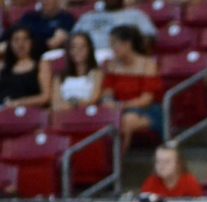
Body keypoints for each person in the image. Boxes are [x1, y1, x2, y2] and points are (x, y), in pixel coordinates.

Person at [100, 25, 164, 153]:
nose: (112, 49)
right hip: (120, 109)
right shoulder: (112, 65)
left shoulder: (148, 64)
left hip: (148, 111)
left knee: (126, 121)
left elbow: (146, 100)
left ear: (127, 44)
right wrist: (108, 101)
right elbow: (107, 92)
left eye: (115, 44)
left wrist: (121, 105)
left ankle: (116, 164)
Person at [73, 0, 157, 62]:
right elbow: (72, 38)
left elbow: (149, 37)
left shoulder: (135, 15)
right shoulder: (88, 16)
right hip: (87, 56)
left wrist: (129, 54)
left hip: (119, 56)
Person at [0, 25, 52, 107]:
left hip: (33, 114)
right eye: (16, 40)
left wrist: (18, 103)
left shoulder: (41, 64)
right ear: (10, 43)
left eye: (25, 39)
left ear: (31, 42)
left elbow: (45, 97)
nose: (20, 44)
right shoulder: (3, 67)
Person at [0, 0, 74, 57]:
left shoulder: (66, 18)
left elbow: (53, 43)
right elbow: (13, 31)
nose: (45, 2)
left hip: (48, 56)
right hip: (24, 56)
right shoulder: (30, 16)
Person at [51, 32, 103, 110]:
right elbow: (55, 103)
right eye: (74, 47)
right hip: (64, 115)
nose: (78, 50)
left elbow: (94, 99)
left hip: (88, 115)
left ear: (90, 49)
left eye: (82, 47)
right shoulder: (59, 76)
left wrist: (74, 105)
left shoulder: (97, 73)